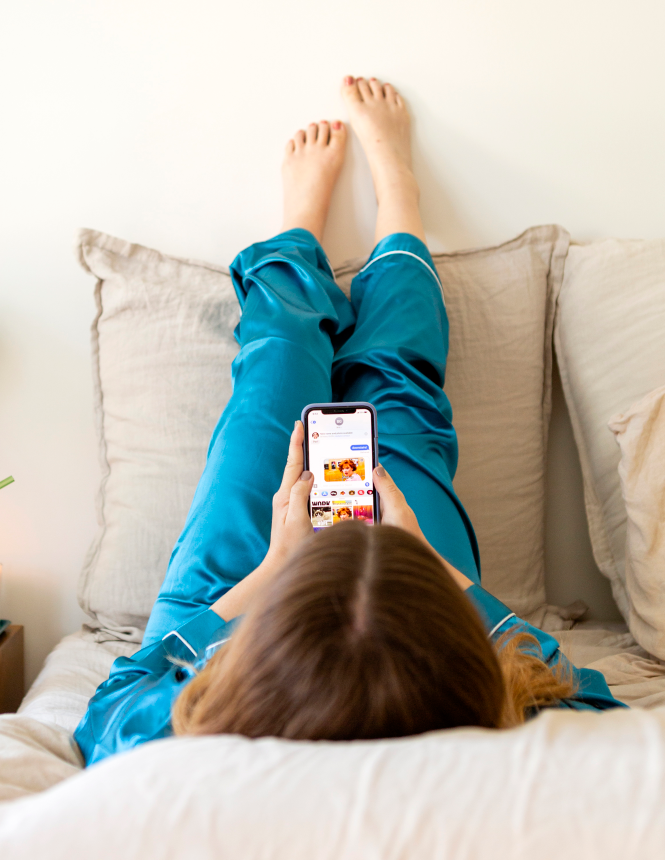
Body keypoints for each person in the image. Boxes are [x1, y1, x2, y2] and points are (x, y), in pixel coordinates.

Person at [74, 75, 625, 766]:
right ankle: (399, 200)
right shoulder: (494, 748)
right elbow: (600, 718)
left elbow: (109, 710)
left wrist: (275, 570)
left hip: (243, 605)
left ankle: (299, 228)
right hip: (412, 609)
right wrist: (424, 566)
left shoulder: (190, 744)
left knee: (271, 384)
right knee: (395, 395)